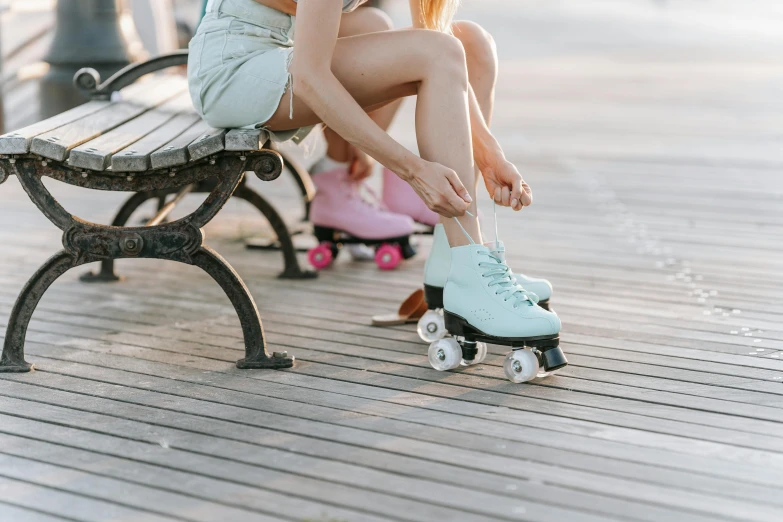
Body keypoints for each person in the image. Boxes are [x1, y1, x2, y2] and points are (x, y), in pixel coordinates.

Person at [188, 0, 562, 373]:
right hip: (234, 67)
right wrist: (413, 170)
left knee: (469, 42)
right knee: (438, 51)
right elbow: (309, 77)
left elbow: (443, 49)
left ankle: (457, 256)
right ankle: (471, 278)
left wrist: (490, 153)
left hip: (282, 46)